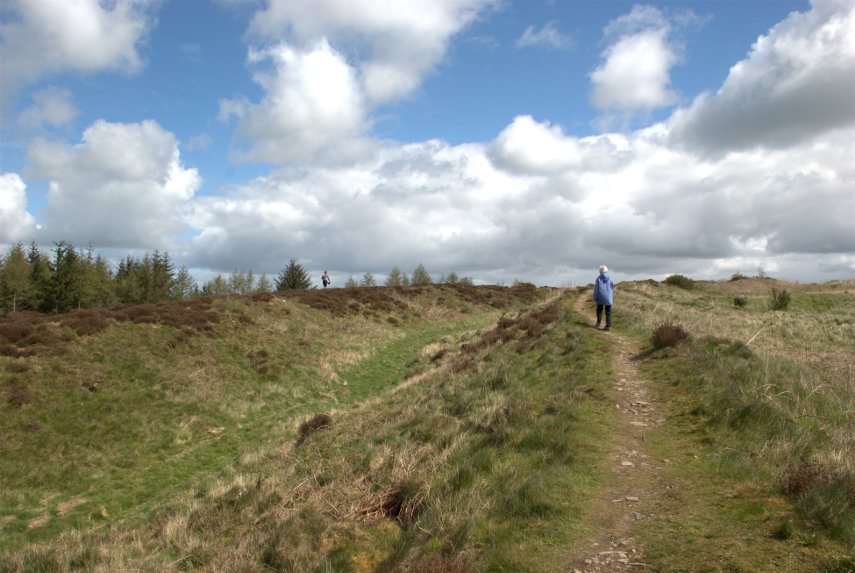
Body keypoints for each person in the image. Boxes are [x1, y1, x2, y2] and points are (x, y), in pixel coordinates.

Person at [593, 265, 614, 330]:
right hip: (608, 297)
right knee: (608, 312)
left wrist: (595, 297)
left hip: (600, 296)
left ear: (600, 271)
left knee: (599, 310)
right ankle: (608, 325)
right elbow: (612, 288)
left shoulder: (598, 279)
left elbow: (596, 289)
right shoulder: (610, 279)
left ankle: (598, 323)